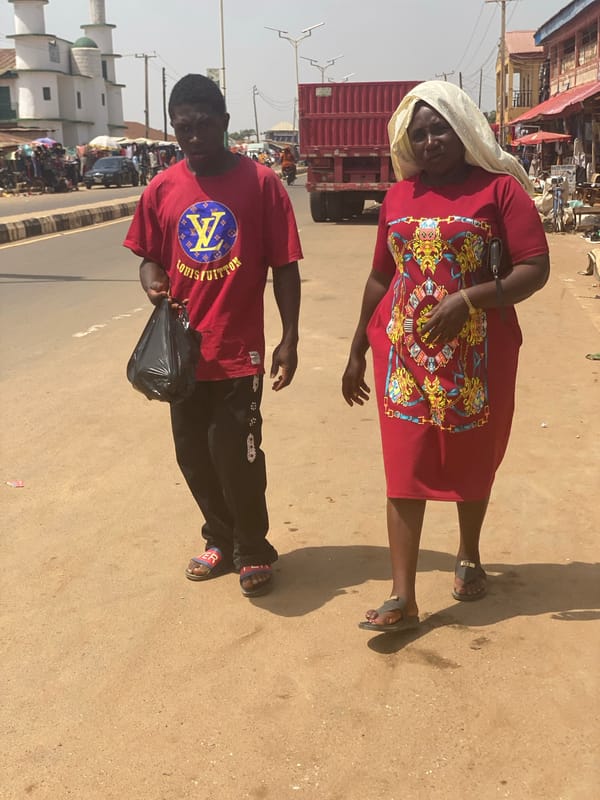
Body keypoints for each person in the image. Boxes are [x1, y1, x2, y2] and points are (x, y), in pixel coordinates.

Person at [342, 81, 549, 632]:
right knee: (404, 465)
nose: (430, 142)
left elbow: (534, 268)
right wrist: (357, 347)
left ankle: (468, 554)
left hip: (477, 359)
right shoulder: (397, 198)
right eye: (419, 134)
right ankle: (402, 597)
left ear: (462, 129)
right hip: (404, 359)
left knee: (470, 458)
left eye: (440, 129)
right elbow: (380, 276)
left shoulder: (500, 191)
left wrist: (468, 300)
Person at [123, 74, 302, 598]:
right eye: (184, 128)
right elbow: (149, 256)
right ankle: (219, 539)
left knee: (237, 454)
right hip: (183, 356)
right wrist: (152, 280)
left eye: (203, 125)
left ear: (223, 123)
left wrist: (289, 338)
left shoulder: (261, 184)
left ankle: (253, 547)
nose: (194, 136)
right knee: (193, 455)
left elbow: (285, 266)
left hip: (239, 351)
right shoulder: (162, 189)